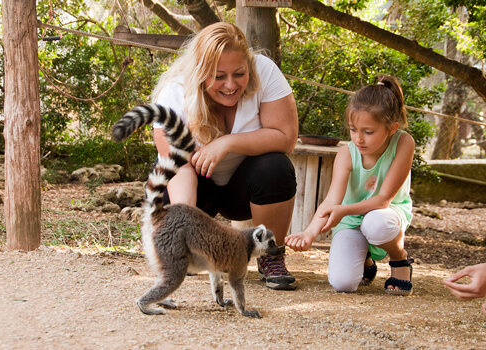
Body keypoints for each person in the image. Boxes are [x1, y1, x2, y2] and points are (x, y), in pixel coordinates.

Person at [150, 22, 299, 290]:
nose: (231, 85)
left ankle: (271, 254)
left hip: (245, 190)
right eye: (219, 77)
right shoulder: (174, 94)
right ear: (199, 73)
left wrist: (228, 143)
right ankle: (186, 253)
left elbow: (286, 137)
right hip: (196, 186)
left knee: (276, 166)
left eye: (239, 73)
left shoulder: (265, 71)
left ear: (249, 66)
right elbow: (178, 166)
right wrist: (188, 223)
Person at [285, 75, 416, 295]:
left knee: (376, 223)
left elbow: (383, 200)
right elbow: (332, 200)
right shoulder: (347, 153)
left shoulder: (403, 143)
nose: (358, 139)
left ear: (392, 128)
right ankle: (364, 259)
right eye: (353, 129)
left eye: (368, 132)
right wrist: (310, 233)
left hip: (385, 214)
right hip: (351, 220)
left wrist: (343, 210)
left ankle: (399, 257)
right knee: (343, 283)